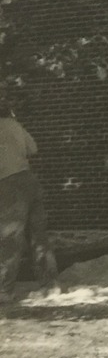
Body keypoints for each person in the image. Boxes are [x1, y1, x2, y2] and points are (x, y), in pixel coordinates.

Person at [0, 101, 57, 302]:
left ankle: (4, 291)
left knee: (10, 238)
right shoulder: (15, 125)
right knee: (38, 236)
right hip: (29, 181)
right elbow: (33, 149)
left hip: (9, 183)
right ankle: (49, 286)